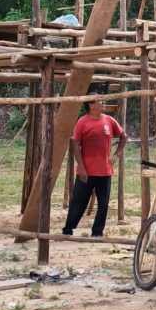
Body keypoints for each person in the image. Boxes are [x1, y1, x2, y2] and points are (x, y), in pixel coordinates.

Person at [62, 96, 126, 237]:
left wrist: (117, 154)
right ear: (91, 105)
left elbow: (123, 136)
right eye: (99, 101)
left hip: (105, 171)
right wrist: (82, 167)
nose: (102, 103)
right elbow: (75, 145)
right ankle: (68, 229)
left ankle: (97, 232)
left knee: (103, 204)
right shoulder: (82, 122)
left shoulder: (109, 120)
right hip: (86, 171)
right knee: (79, 202)